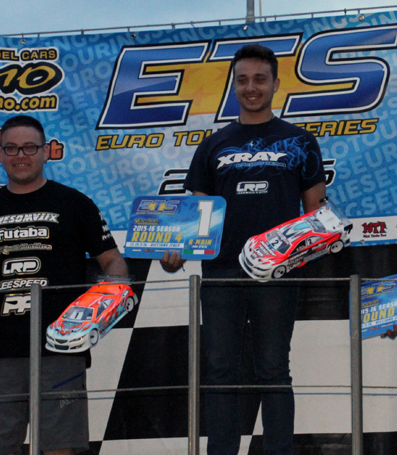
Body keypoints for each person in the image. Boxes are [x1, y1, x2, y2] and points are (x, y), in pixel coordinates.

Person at [161, 44, 326, 455]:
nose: (251, 87)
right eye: (243, 80)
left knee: (274, 370)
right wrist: (175, 252)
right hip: (221, 273)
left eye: (260, 79)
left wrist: (308, 246)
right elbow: (195, 217)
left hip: (277, 273)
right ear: (233, 85)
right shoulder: (213, 144)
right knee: (220, 372)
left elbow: (316, 214)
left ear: (275, 84)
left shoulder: (301, 141)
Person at [0, 115, 128, 455]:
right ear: (0, 154)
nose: (21, 155)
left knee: (60, 447)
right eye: (11, 148)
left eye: (30, 147)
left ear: (46, 152)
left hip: (61, 348)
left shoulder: (75, 203)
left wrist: (109, 298)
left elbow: (112, 261)